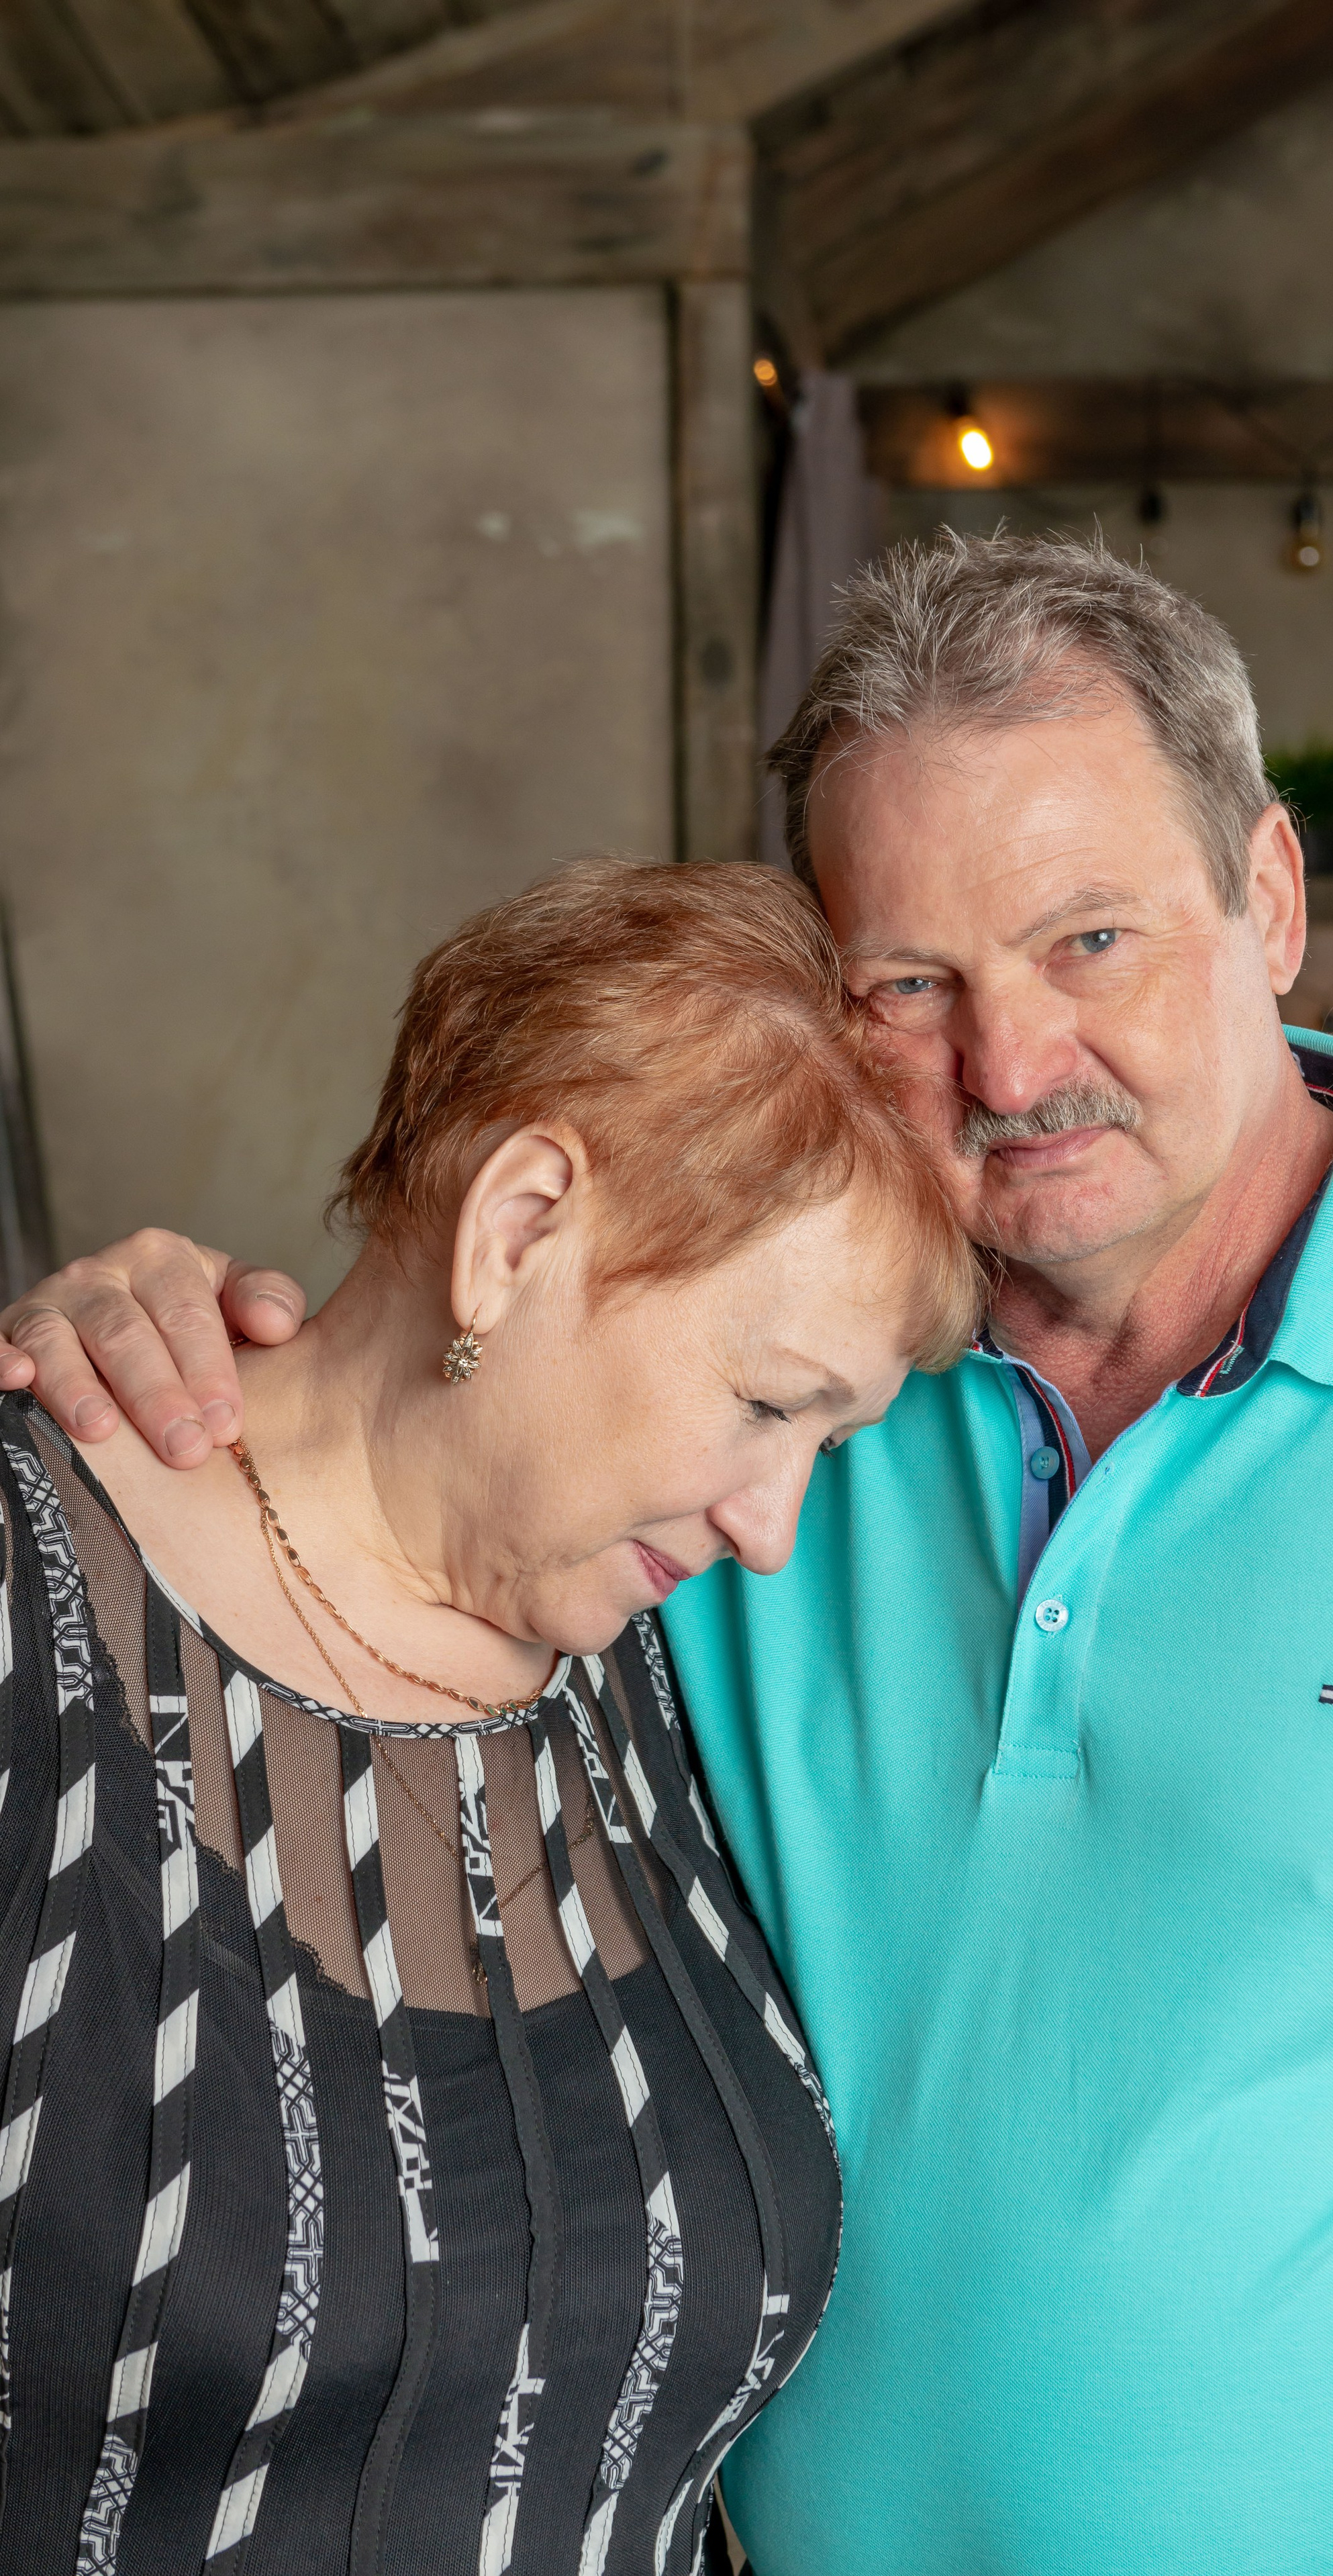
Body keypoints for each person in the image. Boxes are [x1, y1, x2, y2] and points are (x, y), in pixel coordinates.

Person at [12, 532, 1333, 2576]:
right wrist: (138, 1327)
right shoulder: (760, 1432)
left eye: (1090, 938)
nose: (1008, 1067)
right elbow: (416, 1441)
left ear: (1267, 894)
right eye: (913, 982)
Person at [0, 854, 979, 2576]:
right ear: (518, 1226)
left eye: (826, 1443)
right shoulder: (30, 1596)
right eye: (765, 1402)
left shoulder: (663, 1668)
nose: (773, 1530)